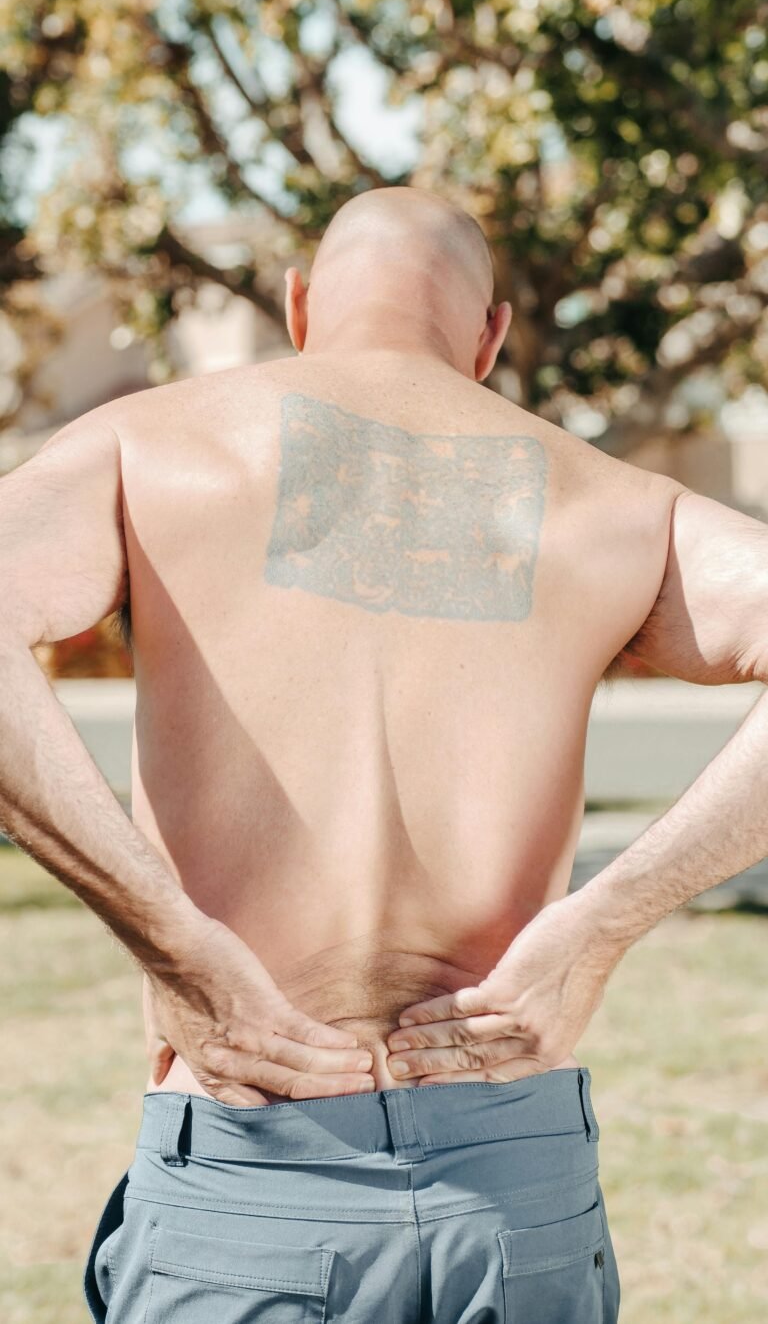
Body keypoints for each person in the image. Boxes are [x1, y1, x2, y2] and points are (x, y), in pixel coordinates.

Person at [1, 185, 767, 1324]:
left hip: (254, 1137)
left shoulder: (150, 449)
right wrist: (602, 923)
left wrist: (177, 944)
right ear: (492, 336)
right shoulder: (617, 506)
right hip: (514, 1179)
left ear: (299, 304)